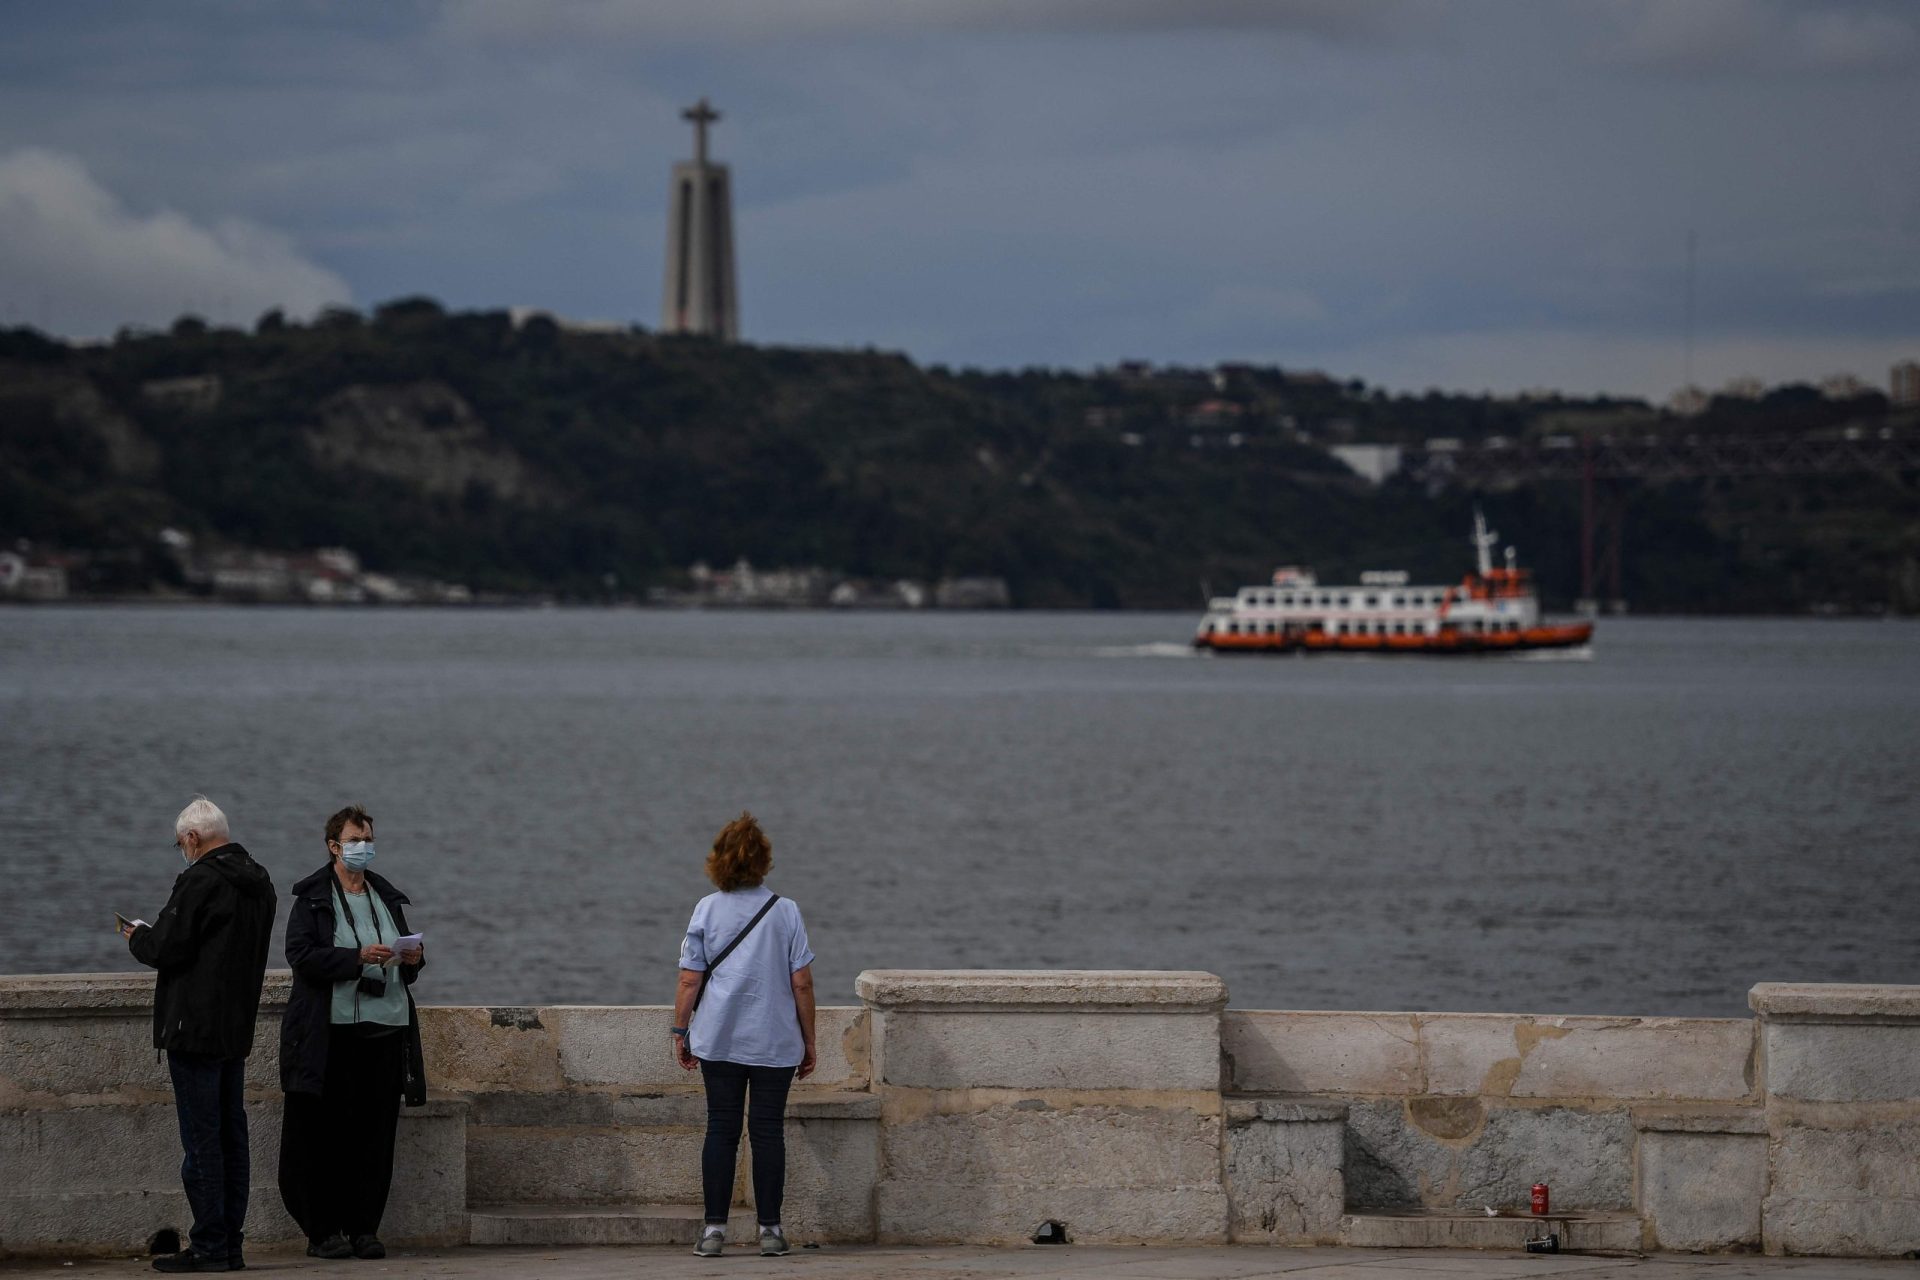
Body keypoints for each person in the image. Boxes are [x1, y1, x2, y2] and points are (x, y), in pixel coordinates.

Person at [122, 795, 277, 1274]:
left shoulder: (201, 880)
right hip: (235, 1027)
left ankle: (210, 1246)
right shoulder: (260, 882)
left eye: (180, 844)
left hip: (193, 1029)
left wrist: (136, 937)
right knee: (232, 1136)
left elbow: (167, 946)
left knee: (203, 1143)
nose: (182, 851)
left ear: (192, 838)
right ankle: (231, 1243)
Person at [276, 805, 427, 1261]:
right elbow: (300, 956)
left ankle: (364, 1228)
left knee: (374, 1136)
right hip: (332, 1033)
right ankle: (322, 1231)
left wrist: (413, 959)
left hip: (385, 1030)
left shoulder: (385, 895)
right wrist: (355, 958)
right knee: (323, 1135)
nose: (364, 846)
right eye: (355, 839)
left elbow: (403, 959)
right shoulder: (313, 899)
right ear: (334, 846)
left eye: (369, 838)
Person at [673, 812, 817, 1258]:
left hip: (718, 1036)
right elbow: (802, 983)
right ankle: (770, 1230)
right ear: (763, 860)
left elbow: (689, 981)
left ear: (718, 860)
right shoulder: (786, 910)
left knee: (721, 1129)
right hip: (774, 1040)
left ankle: (713, 1232)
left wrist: (681, 1030)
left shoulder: (706, 908)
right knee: (768, 1132)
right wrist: (810, 1042)